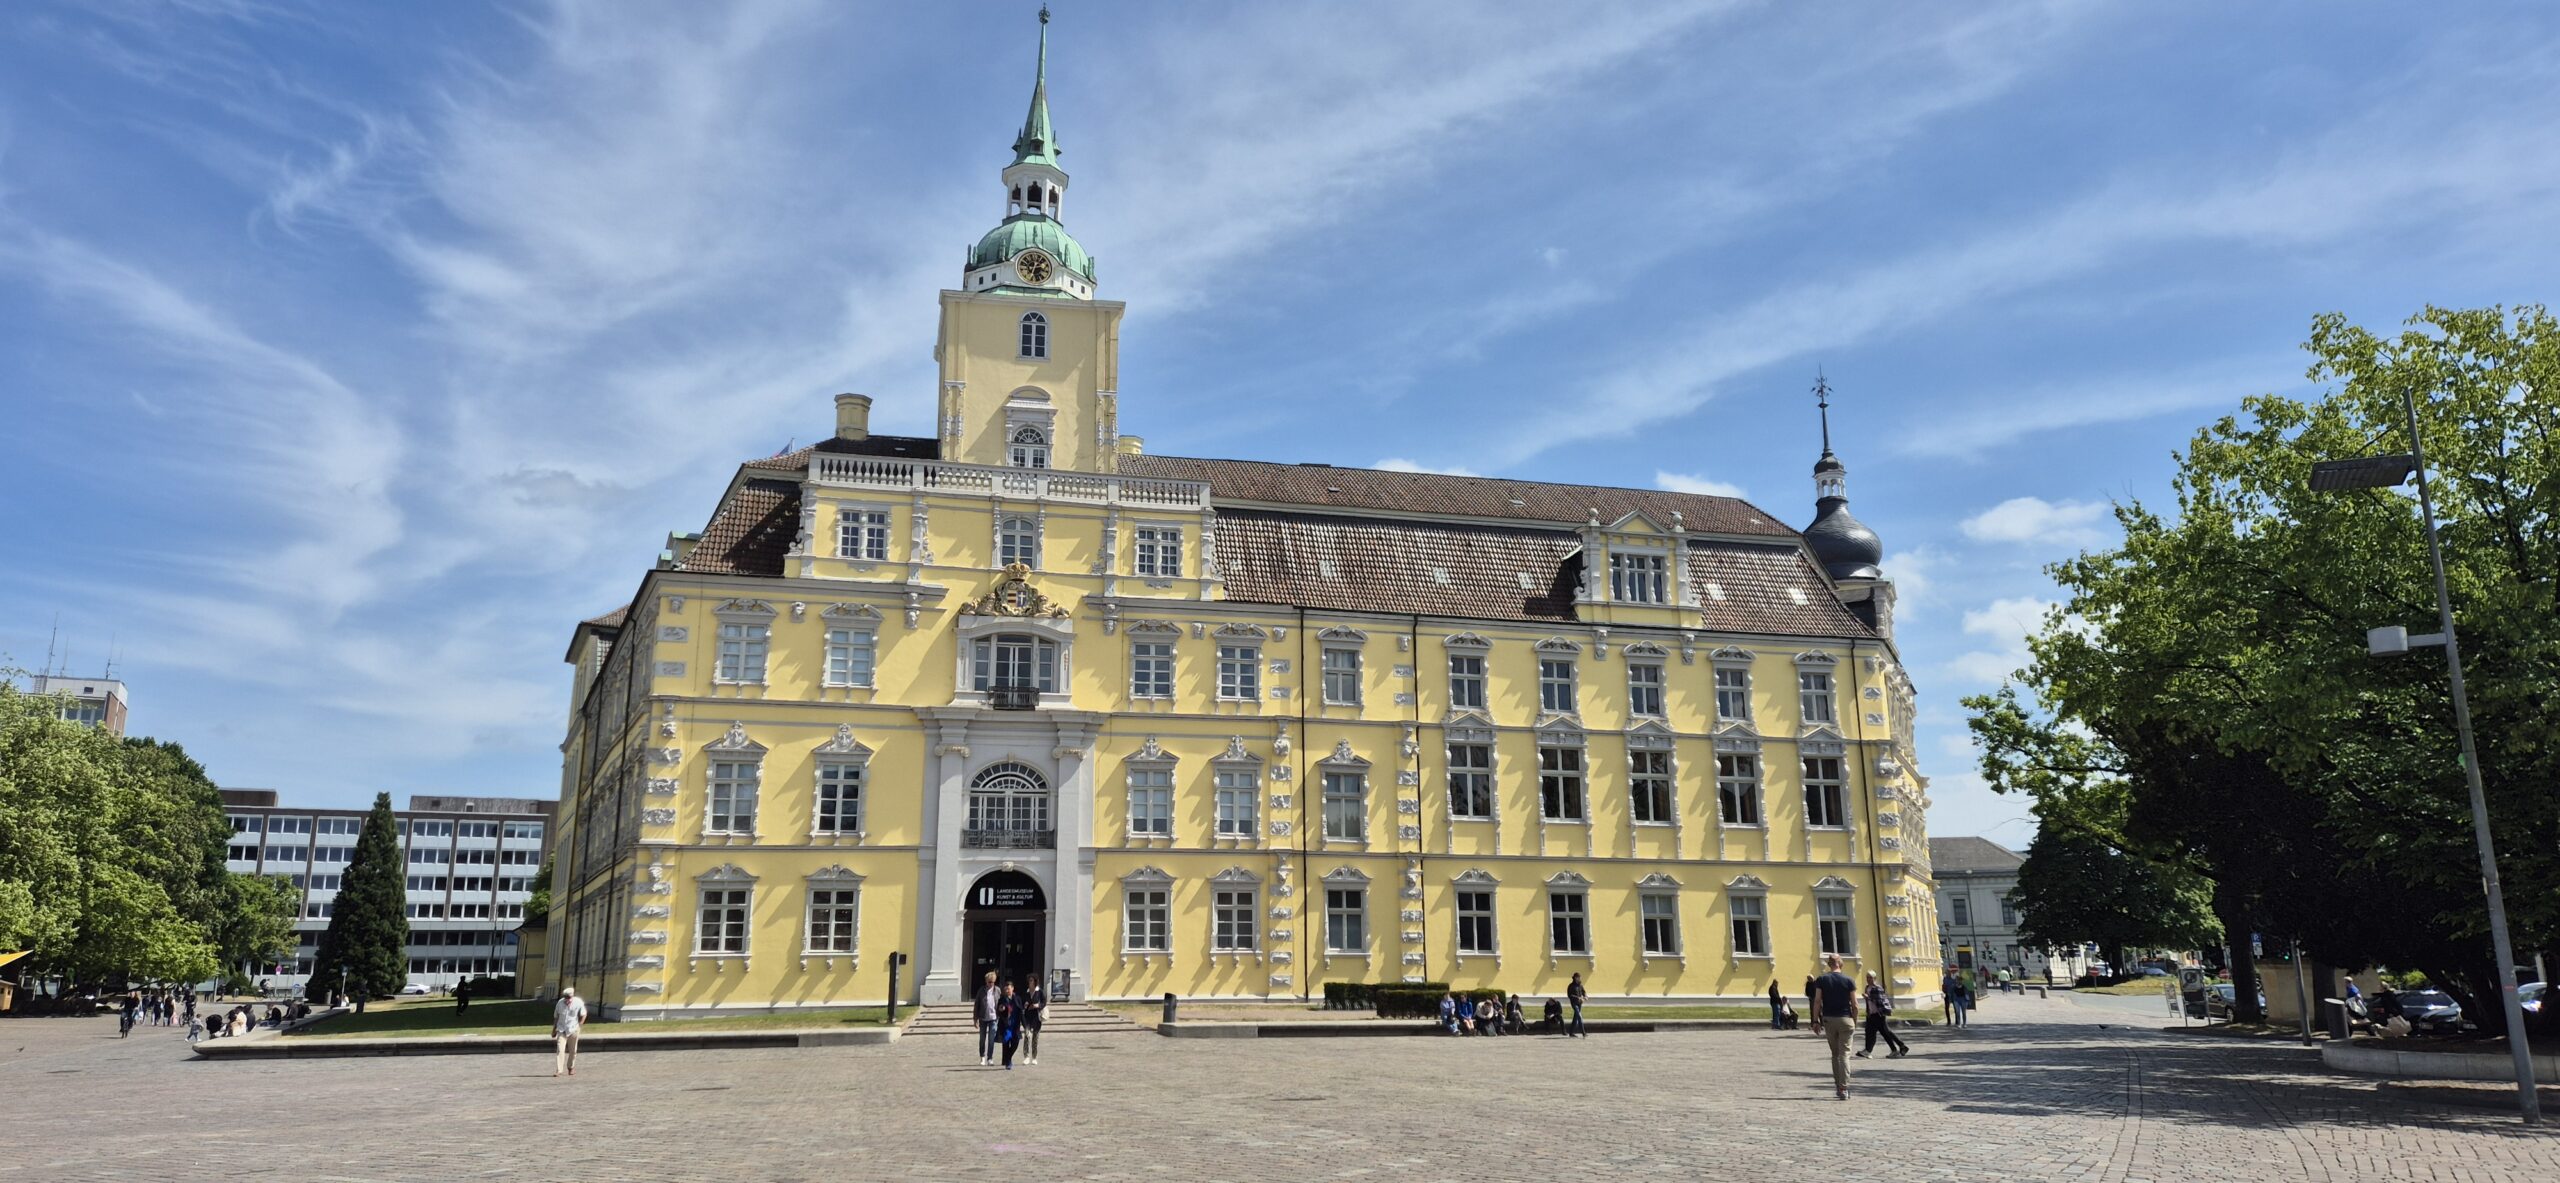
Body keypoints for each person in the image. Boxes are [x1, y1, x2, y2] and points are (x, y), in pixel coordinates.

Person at [1810, 954, 1859, 1100]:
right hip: (1845, 1019)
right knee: (1845, 1055)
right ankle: (1844, 1087)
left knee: (1835, 1054)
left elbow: (1817, 1001)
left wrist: (1815, 1021)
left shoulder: (1822, 980)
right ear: (1840, 964)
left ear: (1829, 964)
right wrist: (1854, 1021)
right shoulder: (1849, 980)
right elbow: (1855, 1005)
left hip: (1829, 1019)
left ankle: (1838, 1086)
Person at [1854, 972, 1909, 1060]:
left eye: (1871, 978)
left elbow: (1879, 1001)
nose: (1869, 979)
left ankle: (1899, 1047)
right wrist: (1868, 1011)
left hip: (1879, 1014)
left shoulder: (1877, 988)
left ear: (1875, 978)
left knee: (1884, 1032)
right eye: (1867, 977)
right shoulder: (1867, 987)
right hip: (1871, 1014)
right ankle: (1870, 1051)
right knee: (1873, 1032)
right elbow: (1869, 1003)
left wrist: (1868, 997)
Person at [552, 986, 587, 1077]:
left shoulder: (578, 1002)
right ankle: (559, 1070)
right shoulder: (560, 1003)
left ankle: (571, 1067)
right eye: (566, 997)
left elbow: (583, 1014)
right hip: (561, 1029)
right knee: (560, 1050)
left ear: (572, 996)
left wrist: (580, 1025)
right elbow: (556, 1016)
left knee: (573, 1050)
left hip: (573, 1029)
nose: (567, 999)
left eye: (569, 997)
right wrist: (554, 1029)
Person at [1018, 975, 1046, 1066]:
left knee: (1035, 1038)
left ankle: (1034, 1057)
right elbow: (1022, 1003)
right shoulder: (1026, 992)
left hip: (1037, 1018)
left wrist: (1037, 1005)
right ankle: (1026, 1056)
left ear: (1035, 982)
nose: (1030, 982)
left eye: (1031, 980)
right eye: (1029, 980)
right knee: (1027, 1036)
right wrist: (1025, 1005)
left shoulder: (1039, 991)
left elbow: (1044, 1002)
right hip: (1027, 1018)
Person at [976, 971, 1002, 1066]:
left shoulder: (997, 990)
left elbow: (1001, 1002)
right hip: (983, 1018)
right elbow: (977, 1004)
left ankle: (990, 1058)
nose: (991, 984)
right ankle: (982, 1056)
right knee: (982, 1038)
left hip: (994, 1018)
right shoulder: (981, 990)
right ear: (986, 981)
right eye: (989, 982)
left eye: (992, 982)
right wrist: (975, 1019)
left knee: (991, 1039)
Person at [997, 981, 1022, 1069]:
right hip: (1006, 1026)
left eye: (1009, 989)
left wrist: (1024, 1023)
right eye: (1006, 989)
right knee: (1007, 1043)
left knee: (1016, 1043)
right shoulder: (1002, 999)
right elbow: (999, 1009)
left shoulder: (1017, 998)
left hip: (1015, 1025)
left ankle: (1008, 1058)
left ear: (1012, 988)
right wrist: (1001, 1009)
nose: (1007, 991)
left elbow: (1021, 1011)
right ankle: (1008, 1062)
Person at [1566, 972, 1588, 1038]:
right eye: (1578, 977)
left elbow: (1583, 992)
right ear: (1575, 978)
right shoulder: (1571, 986)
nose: (1579, 978)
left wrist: (1585, 996)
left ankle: (1571, 1033)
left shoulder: (1580, 985)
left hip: (1580, 1003)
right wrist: (1578, 997)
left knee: (1575, 1018)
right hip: (1574, 1003)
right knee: (1579, 1016)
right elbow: (1570, 995)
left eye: (1580, 977)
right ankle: (1583, 1033)